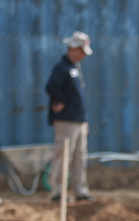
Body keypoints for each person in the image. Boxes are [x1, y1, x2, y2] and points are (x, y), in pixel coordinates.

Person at [45, 31, 95, 203]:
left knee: (80, 156)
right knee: (64, 156)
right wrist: (60, 101)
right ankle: (57, 192)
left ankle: (80, 190)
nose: (82, 55)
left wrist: (83, 119)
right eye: (81, 51)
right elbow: (51, 86)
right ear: (73, 48)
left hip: (78, 120)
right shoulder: (62, 67)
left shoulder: (74, 68)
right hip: (66, 120)